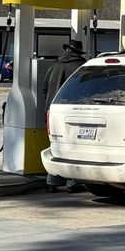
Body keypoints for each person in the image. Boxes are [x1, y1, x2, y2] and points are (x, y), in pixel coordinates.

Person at [43, 38, 87, 193]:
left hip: (52, 111)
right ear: (78, 52)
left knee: (55, 144)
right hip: (74, 111)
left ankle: (52, 181)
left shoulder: (54, 65)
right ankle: (72, 182)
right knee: (74, 146)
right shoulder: (81, 67)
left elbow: (44, 89)